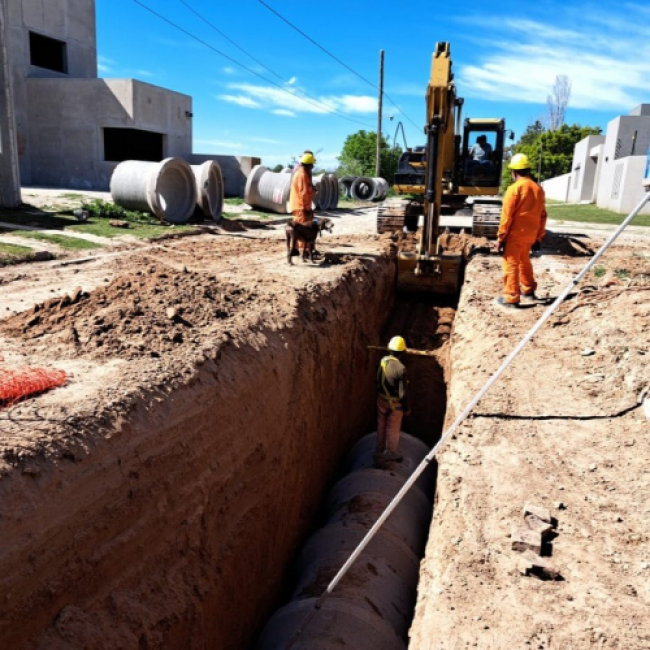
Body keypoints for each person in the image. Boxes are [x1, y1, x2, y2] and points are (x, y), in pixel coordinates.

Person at [495, 153, 547, 308]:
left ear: (514, 172)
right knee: (524, 261)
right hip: (530, 235)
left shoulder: (514, 189)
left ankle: (512, 298)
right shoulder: (538, 189)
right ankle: (529, 290)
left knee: (510, 264)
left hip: (515, 235)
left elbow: (506, 217)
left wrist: (500, 238)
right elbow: (543, 215)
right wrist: (539, 237)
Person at [376, 336, 410, 463]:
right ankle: (390, 452)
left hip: (381, 400)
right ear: (402, 352)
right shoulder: (401, 369)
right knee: (392, 428)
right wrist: (406, 408)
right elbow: (402, 393)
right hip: (394, 404)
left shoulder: (383, 361)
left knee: (381, 425)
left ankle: (379, 449)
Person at [289, 152, 319, 257]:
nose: (313, 167)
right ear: (308, 165)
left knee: (299, 229)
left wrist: (312, 189)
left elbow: (306, 190)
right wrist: (306, 208)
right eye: (312, 165)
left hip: (300, 205)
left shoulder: (303, 173)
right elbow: (303, 193)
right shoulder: (302, 175)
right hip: (300, 207)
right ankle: (304, 252)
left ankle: (298, 250)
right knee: (303, 230)